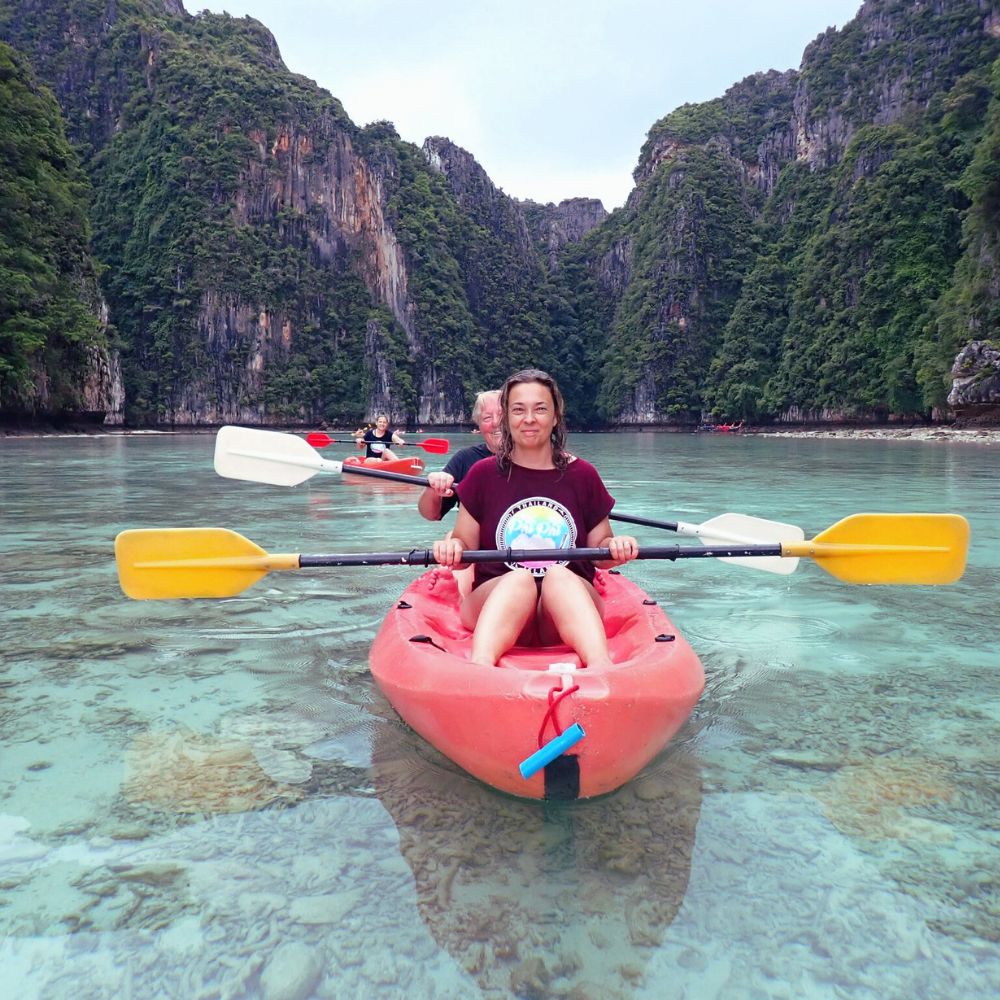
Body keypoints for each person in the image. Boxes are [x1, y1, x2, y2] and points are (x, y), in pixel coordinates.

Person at [433, 369, 639, 668]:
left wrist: (617, 547)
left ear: (555, 417)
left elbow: (601, 552)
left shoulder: (583, 475)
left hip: (564, 605)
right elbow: (465, 552)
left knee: (558, 576)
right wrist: (453, 548)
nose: (529, 419)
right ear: (506, 418)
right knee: (520, 579)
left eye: (540, 409)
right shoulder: (482, 475)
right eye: (518, 410)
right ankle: (480, 669)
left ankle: (601, 669)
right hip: (497, 597)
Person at [417, 389, 501, 522]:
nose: (496, 422)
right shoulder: (465, 459)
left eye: (502, 415)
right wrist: (432, 488)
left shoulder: (534, 458)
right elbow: (431, 514)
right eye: (487, 418)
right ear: (479, 425)